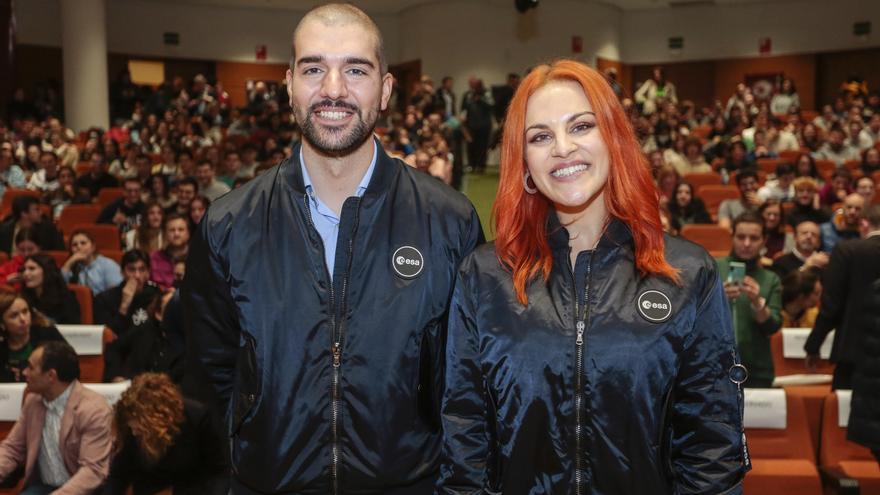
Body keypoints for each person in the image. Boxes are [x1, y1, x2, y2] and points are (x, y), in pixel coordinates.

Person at [183, 4, 483, 493]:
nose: (334, 90)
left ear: (385, 89)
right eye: (314, 68)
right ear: (289, 84)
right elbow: (206, 386)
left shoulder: (449, 222)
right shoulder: (228, 225)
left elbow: (468, 392)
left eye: (356, 70)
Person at [438, 60, 746, 493]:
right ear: (524, 162)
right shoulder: (484, 276)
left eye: (581, 126)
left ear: (613, 138)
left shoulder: (688, 274)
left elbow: (711, 449)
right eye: (540, 136)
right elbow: (465, 440)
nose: (562, 148)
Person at [0, 341, 112, 493]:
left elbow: (92, 471)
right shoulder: (32, 401)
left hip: (82, 490)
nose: (25, 372)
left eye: (31, 367)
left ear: (51, 376)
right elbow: (12, 449)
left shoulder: (94, 409)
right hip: (42, 487)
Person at [102, 373, 228, 494]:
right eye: (132, 426)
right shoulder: (130, 423)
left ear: (157, 420)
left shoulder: (197, 418)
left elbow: (218, 473)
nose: (134, 432)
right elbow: (118, 476)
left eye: (140, 428)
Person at [805, 205, 880, 390]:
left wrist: (813, 345)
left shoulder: (847, 250)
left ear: (863, 224)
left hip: (855, 354)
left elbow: (831, 306)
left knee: (844, 416)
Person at [716, 212, 783, 388]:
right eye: (741, 237)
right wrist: (716, 298)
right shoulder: (713, 268)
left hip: (757, 370)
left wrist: (757, 302)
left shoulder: (771, 278)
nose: (746, 244)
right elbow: (693, 317)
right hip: (714, 367)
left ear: (764, 240)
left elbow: (772, 326)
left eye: (753, 238)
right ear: (732, 236)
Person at [102, 291, 183, 383]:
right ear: (158, 314)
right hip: (136, 387)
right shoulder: (144, 330)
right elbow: (113, 348)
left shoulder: (188, 341)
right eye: (170, 309)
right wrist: (115, 376)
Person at [0, 291, 66, 382]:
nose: (23, 319)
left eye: (25, 311)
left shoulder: (48, 334)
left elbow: (70, 368)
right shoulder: (2, 346)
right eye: (14, 316)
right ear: (2, 324)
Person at [94, 250, 161, 338]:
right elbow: (108, 337)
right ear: (122, 272)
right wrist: (124, 306)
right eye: (131, 270)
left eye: (142, 269)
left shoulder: (156, 295)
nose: (137, 275)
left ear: (148, 272)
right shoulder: (104, 299)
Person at [21, 254, 80, 324]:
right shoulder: (22, 298)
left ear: (47, 271)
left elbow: (71, 329)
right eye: (24, 269)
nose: (25, 273)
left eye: (32, 269)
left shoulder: (66, 299)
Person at [61, 229, 123, 295]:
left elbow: (115, 294)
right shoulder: (72, 266)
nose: (79, 247)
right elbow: (60, 286)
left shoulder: (108, 265)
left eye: (83, 243)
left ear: (93, 247)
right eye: (74, 245)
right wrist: (70, 262)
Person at [0, 195, 65, 255]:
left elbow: (60, 253)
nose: (41, 212)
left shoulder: (49, 229)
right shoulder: (4, 230)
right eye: (36, 209)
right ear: (24, 213)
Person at [149, 213, 189, 290]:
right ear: (165, 234)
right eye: (172, 230)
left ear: (188, 233)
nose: (176, 234)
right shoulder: (154, 258)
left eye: (181, 230)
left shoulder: (198, 258)